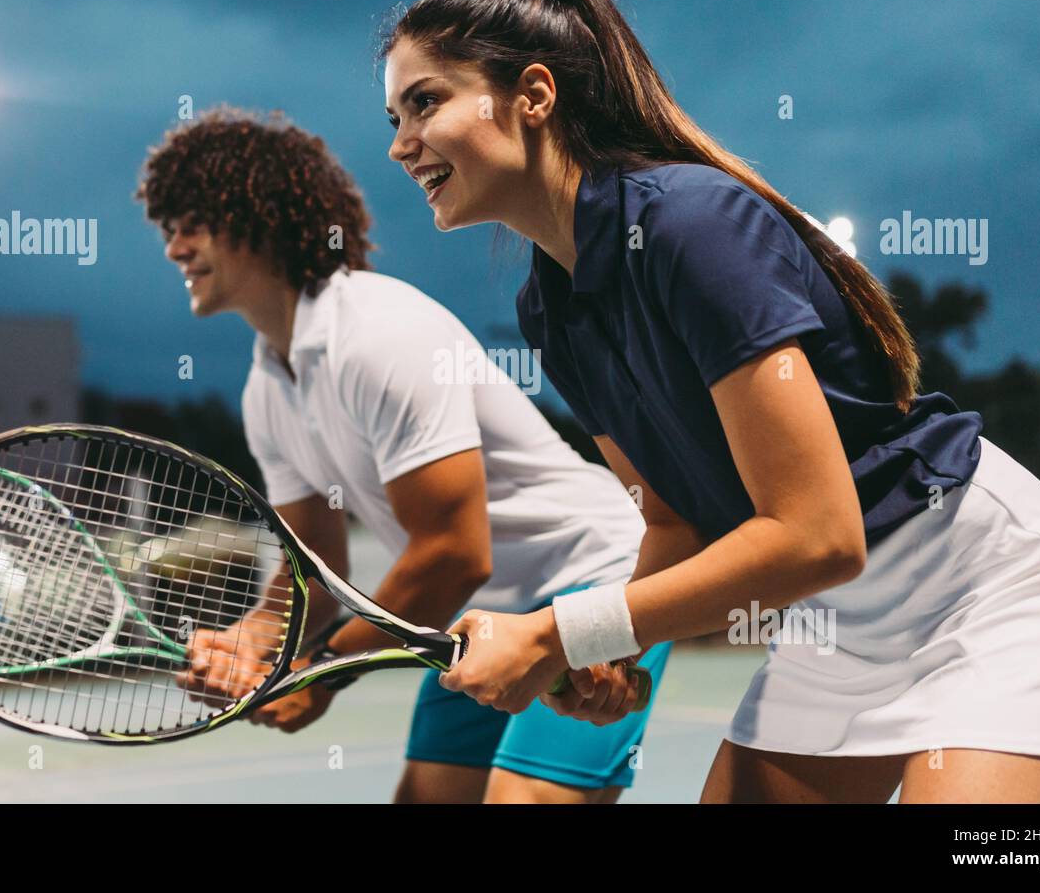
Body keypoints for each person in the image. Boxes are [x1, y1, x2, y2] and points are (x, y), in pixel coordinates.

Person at [379, 0, 1040, 802]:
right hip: (834, 625)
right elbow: (672, 520)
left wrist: (561, 632)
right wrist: (608, 655)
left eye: (425, 102)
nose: (401, 142)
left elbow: (819, 535)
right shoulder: (549, 309)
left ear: (533, 96)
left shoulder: (691, 225)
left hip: (989, 591)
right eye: (395, 118)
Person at [135, 106, 669, 803]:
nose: (175, 247)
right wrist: (254, 637)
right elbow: (315, 569)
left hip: (594, 569)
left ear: (258, 216)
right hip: (482, 615)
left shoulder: (378, 334)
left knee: (525, 801)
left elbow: (453, 553)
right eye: (168, 230)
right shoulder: (268, 384)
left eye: (192, 222)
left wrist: (320, 672)